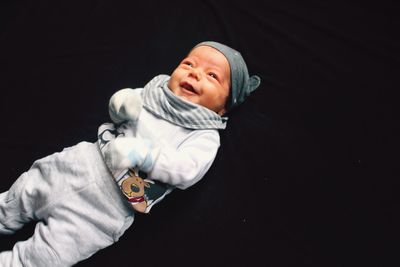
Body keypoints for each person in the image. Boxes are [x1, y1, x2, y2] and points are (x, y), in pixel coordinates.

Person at [0, 41, 261, 266]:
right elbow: (122, 110)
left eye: (212, 75)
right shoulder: (154, 93)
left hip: (102, 212)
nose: (194, 74)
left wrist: (144, 155)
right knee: (18, 197)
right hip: (76, 166)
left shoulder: (204, 135)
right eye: (188, 64)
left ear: (225, 107)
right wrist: (121, 105)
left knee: (47, 255)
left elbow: (187, 169)